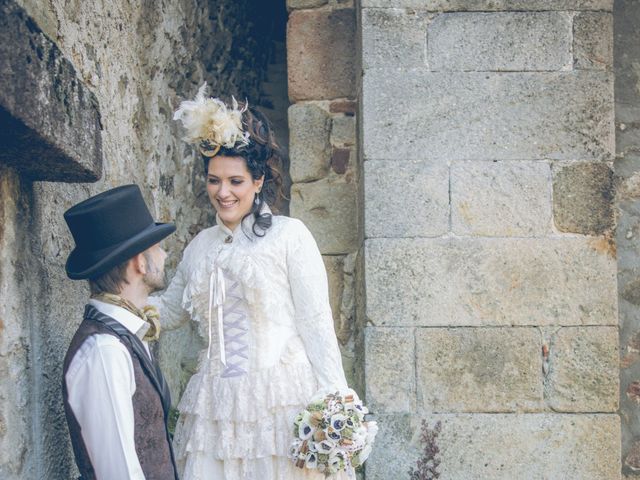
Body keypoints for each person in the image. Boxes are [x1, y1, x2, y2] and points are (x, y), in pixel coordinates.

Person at [152, 84, 350, 479]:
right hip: (215, 409)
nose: (222, 192)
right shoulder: (200, 247)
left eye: (235, 181)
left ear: (258, 181)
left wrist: (336, 404)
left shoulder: (290, 236)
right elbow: (171, 308)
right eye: (213, 180)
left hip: (280, 404)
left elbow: (316, 324)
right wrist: (116, 309)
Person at [62, 184, 179, 480]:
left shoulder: (124, 336)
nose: (164, 255)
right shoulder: (105, 351)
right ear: (139, 262)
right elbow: (119, 473)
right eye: (157, 247)